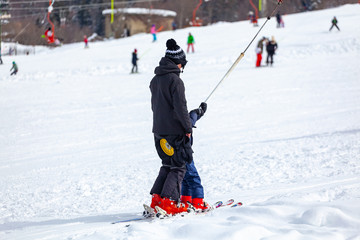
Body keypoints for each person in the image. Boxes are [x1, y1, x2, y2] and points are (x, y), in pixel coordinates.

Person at [149, 39, 193, 215]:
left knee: (167, 164)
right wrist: (187, 128)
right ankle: (169, 202)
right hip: (174, 132)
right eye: (182, 64)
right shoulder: (175, 81)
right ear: (178, 62)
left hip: (158, 131)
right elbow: (180, 108)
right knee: (179, 166)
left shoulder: (155, 79)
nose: (182, 68)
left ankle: (157, 200)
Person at [180, 103, 211, 211]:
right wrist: (197, 112)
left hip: (176, 155)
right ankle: (198, 203)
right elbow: (190, 119)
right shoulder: (184, 123)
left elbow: (191, 117)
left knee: (185, 179)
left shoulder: (171, 120)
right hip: (185, 154)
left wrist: (198, 112)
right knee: (193, 178)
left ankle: (186, 201)